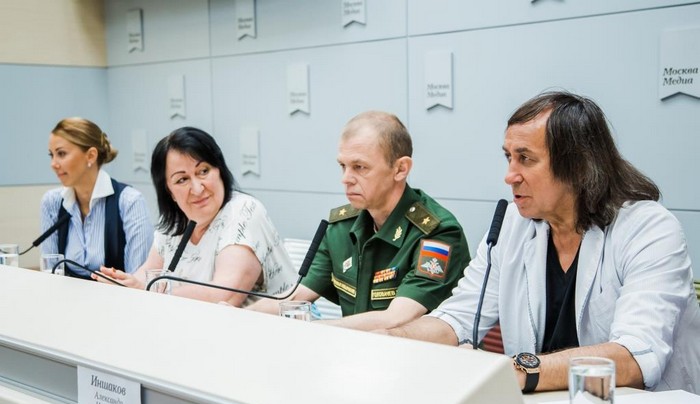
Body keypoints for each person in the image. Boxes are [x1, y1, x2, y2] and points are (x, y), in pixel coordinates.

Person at [386, 91, 700, 395]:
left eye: (525, 159)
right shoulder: (512, 224)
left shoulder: (649, 229)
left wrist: (517, 371)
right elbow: (457, 319)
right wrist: (385, 340)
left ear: (577, 166)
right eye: (509, 157)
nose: (510, 175)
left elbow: (635, 359)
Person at [249, 111, 471, 330]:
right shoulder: (340, 227)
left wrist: (317, 329)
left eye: (360, 167)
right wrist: (238, 315)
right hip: (353, 348)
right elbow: (296, 297)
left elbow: (394, 319)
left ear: (400, 169)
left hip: (416, 351)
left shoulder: (437, 233)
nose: (345, 179)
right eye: (342, 166)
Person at [94, 126, 297, 307]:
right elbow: (147, 278)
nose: (198, 189)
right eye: (182, 180)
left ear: (220, 170)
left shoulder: (244, 210)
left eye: (203, 171)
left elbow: (225, 295)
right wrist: (124, 284)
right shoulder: (175, 223)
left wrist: (148, 292)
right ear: (169, 191)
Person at [41, 117, 153, 277]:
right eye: (51, 155)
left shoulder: (130, 202)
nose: (53, 163)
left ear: (91, 156)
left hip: (117, 293)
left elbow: (137, 280)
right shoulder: (52, 202)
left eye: (61, 153)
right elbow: (50, 272)